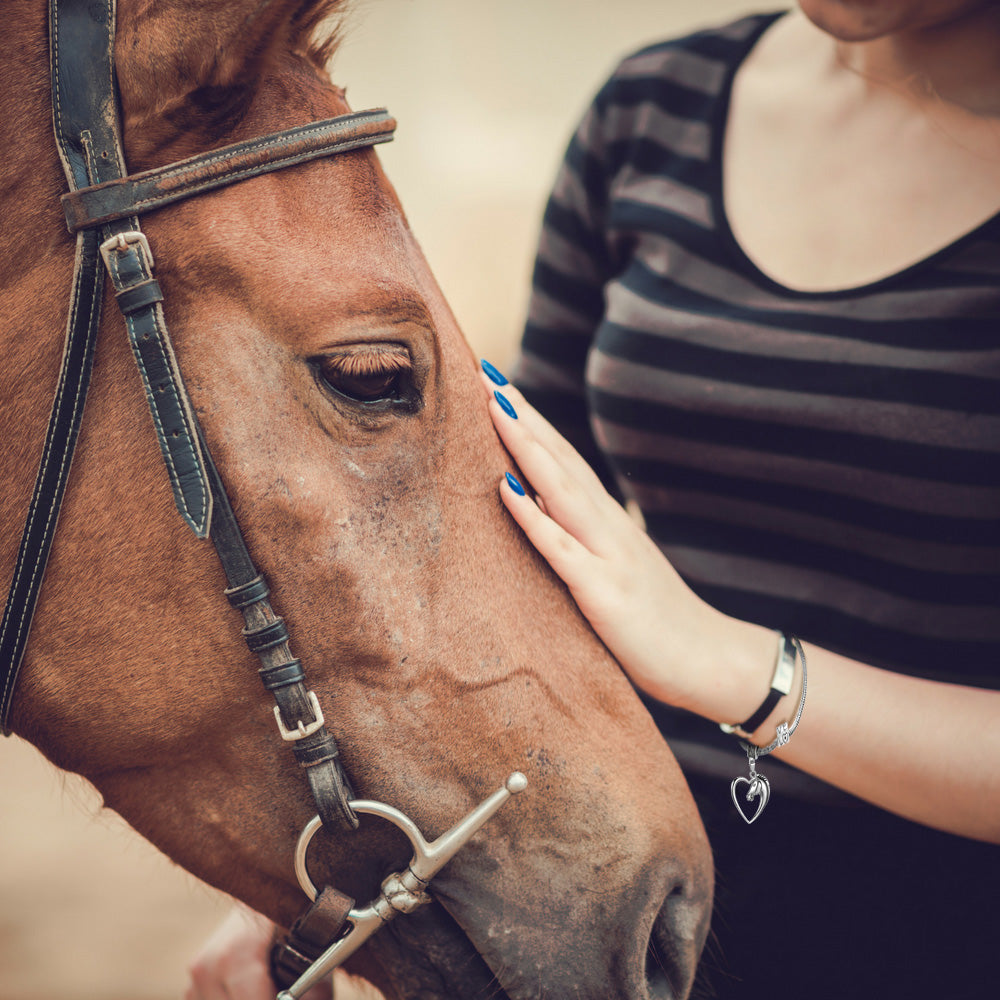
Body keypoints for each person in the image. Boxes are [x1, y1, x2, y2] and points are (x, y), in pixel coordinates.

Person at [187, 2, 1000, 997]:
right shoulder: (654, 107)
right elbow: (502, 518)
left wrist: (736, 669)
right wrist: (322, 867)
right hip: (617, 871)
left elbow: (684, 641)